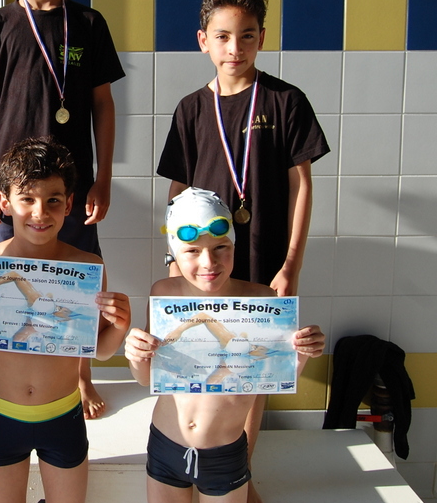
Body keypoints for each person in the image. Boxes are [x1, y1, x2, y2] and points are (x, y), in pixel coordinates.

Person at [156, 0, 329, 502]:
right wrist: (174, 260)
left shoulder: (285, 101)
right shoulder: (191, 108)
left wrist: (292, 263)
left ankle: (239, 473)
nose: (236, 48)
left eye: (247, 35)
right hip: (208, 263)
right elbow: (177, 191)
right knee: (209, 357)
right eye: (223, 36)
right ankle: (206, 464)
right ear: (203, 40)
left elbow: (302, 185)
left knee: (254, 371)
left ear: (262, 38)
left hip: (264, 257)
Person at [0, 0, 125, 419]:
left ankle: (80, 375)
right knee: (3, 278)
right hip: (12, 188)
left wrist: (103, 178)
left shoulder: (89, 24)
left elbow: (103, 104)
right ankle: (1, 376)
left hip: (67, 190)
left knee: (78, 280)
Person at [0, 137, 132, 503]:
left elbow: (100, 351)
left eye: (53, 200)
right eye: (27, 199)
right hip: (0, 415)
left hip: (63, 414)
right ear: (5, 202)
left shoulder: (88, 267)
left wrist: (119, 326)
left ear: (68, 204)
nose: (40, 212)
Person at [125, 188, 325, 503]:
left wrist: (303, 353)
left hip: (225, 455)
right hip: (165, 445)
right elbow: (146, 378)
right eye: (192, 251)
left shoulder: (262, 300)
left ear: (234, 245)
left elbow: (276, 378)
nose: (209, 262)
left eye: (221, 247)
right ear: (174, 252)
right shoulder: (163, 293)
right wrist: (136, 355)